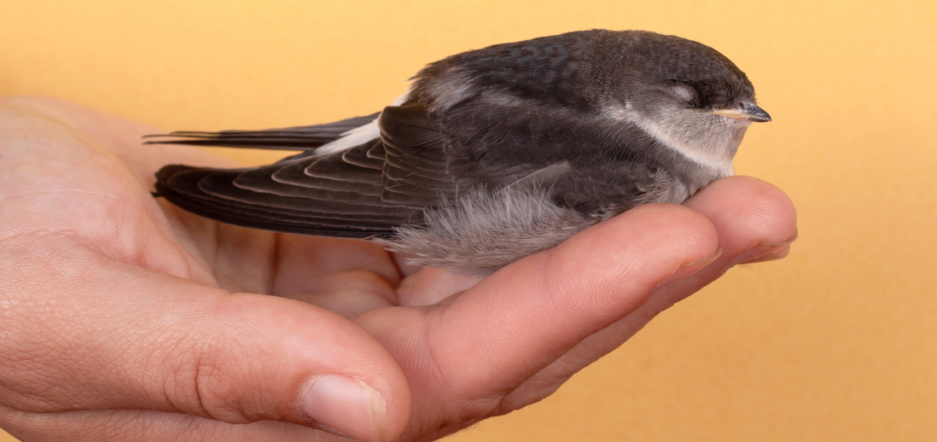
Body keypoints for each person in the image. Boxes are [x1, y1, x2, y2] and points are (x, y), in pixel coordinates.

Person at [0, 97, 797, 442]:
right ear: (649, 104)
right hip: (423, 166)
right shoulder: (624, 163)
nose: (740, 120)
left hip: (434, 128)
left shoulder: (618, 132)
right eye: (708, 103)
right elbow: (442, 163)